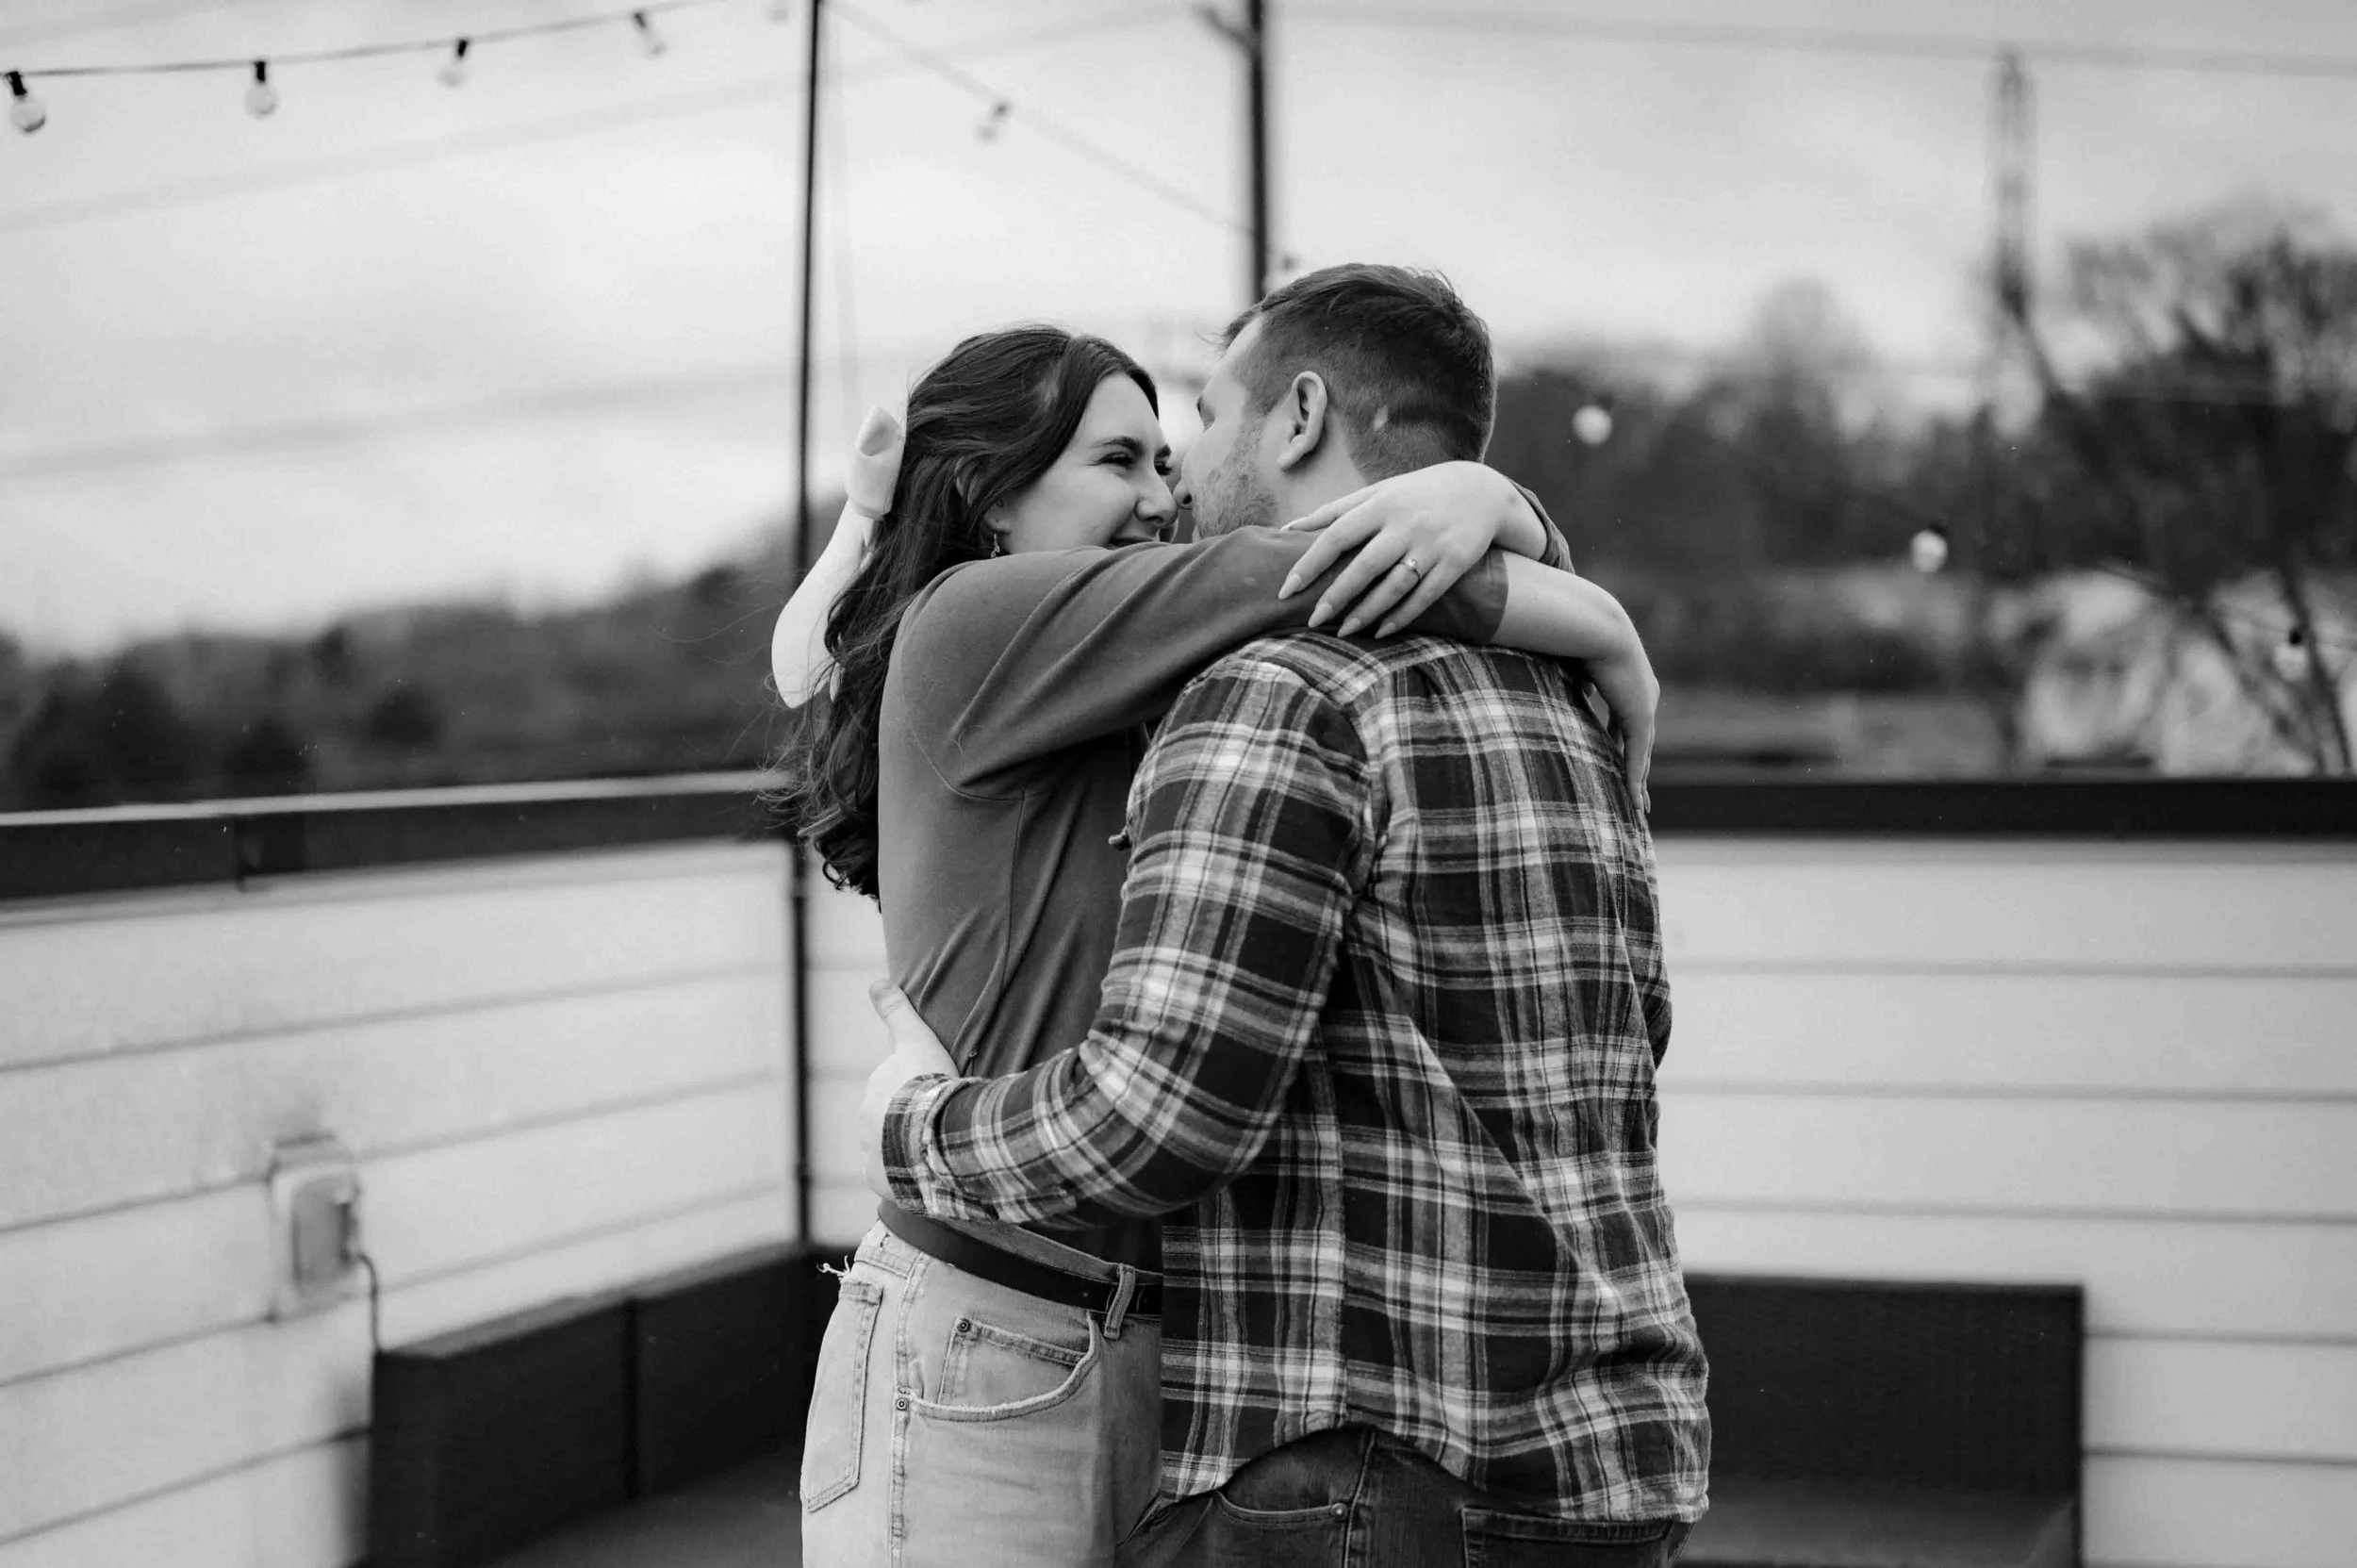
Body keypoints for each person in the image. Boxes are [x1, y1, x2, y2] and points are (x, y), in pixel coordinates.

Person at [775, 317, 1660, 1566]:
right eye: (1116, 462)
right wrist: (1576, 592)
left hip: (1173, 1352)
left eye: (1163, 456)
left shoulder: (1162, 673)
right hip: (988, 1332)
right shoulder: (971, 620)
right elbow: (1330, 568)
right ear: (989, 492)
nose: (1161, 493)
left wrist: (1497, 513)